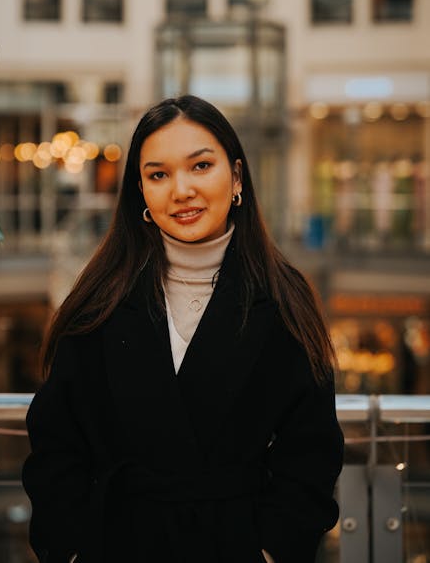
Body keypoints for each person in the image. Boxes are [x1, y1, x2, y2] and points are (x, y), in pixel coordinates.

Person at [22, 95, 344, 563]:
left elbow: (311, 453)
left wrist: (272, 551)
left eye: (200, 166)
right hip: (117, 544)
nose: (181, 190)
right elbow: (55, 443)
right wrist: (70, 549)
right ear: (141, 193)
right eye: (158, 174)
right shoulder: (101, 295)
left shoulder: (285, 297)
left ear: (236, 178)